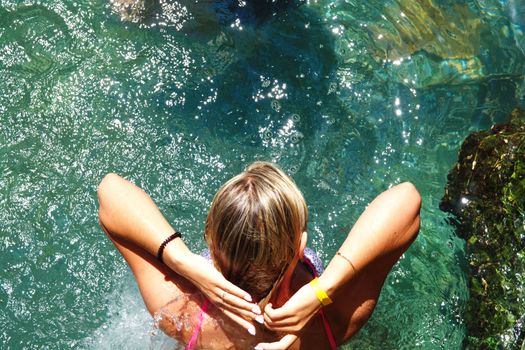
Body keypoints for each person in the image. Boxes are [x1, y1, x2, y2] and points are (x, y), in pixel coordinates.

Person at [97, 162, 421, 349]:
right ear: (300, 247)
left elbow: (110, 191)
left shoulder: (185, 313)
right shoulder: (330, 324)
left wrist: (181, 259)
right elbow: (406, 200)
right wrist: (323, 291)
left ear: (211, 248)